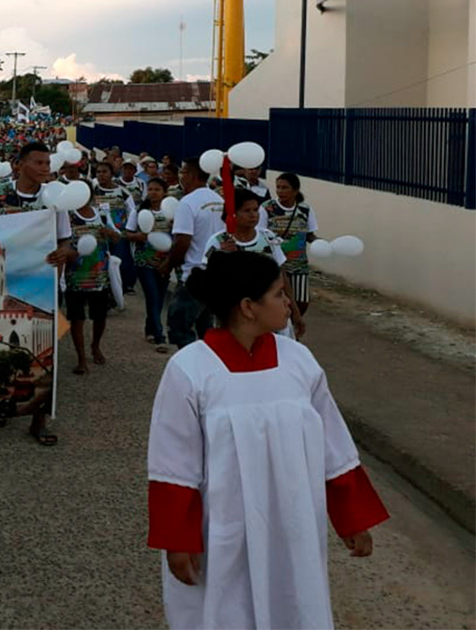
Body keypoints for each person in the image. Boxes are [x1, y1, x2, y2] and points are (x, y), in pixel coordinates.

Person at [147, 250, 388, 629]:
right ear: (248, 306)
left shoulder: (299, 362)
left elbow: (334, 445)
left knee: (294, 604)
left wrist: (352, 518)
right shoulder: (190, 370)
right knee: (226, 609)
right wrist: (178, 538)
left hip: (294, 524)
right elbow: (173, 464)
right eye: (278, 294)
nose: (289, 303)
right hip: (224, 530)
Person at [0, 142, 73, 446]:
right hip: (5, 285)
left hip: (42, 287)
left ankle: (38, 419)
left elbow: (66, 243)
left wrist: (62, 256)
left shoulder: (55, 198)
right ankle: (1, 405)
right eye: (39, 162)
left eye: (48, 163)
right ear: (20, 165)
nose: (46, 168)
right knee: (2, 348)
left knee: (43, 354)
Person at [203, 189, 305, 339]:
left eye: (256, 210)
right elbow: (209, 280)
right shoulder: (218, 242)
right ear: (233, 214)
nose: (253, 215)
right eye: (247, 210)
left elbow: (282, 276)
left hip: (271, 315)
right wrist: (223, 257)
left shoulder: (268, 238)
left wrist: (295, 312)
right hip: (238, 318)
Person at [159, 158, 225, 349]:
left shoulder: (187, 203)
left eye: (184, 172)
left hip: (195, 275)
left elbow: (182, 242)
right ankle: (209, 365)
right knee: (206, 326)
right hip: (216, 272)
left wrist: (168, 264)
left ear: (193, 175)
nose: (181, 176)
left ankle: (190, 366)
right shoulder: (220, 200)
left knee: (179, 325)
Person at [65, 197, 121, 374]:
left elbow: (117, 238)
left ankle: (95, 346)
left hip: (99, 276)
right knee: (77, 318)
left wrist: (110, 234)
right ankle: (81, 359)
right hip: (75, 277)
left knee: (100, 317)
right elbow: (60, 241)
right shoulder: (67, 216)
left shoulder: (102, 215)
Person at [125, 178, 175, 352]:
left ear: (164, 192)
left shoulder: (172, 212)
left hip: (165, 261)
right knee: (152, 296)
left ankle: (150, 329)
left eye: (157, 189)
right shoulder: (139, 211)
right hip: (144, 260)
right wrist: (139, 236)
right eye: (151, 189)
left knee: (160, 297)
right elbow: (128, 233)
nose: (153, 192)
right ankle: (160, 336)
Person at [260, 172, 319, 316]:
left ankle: (292, 325)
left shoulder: (305, 209)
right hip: (275, 264)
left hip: (298, 264)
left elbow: (310, 234)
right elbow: (261, 234)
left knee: (302, 301)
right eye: (278, 187)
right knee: (277, 299)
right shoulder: (267, 208)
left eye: (285, 188)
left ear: (295, 190)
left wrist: (319, 242)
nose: (280, 191)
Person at [93, 161, 138, 294]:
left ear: (112, 174)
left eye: (104, 172)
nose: (101, 175)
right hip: (100, 235)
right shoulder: (93, 191)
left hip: (120, 235)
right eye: (98, 172)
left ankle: (125, 286)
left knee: (122, 262)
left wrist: (128, 229)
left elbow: (132, 211)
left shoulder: (122, 192)